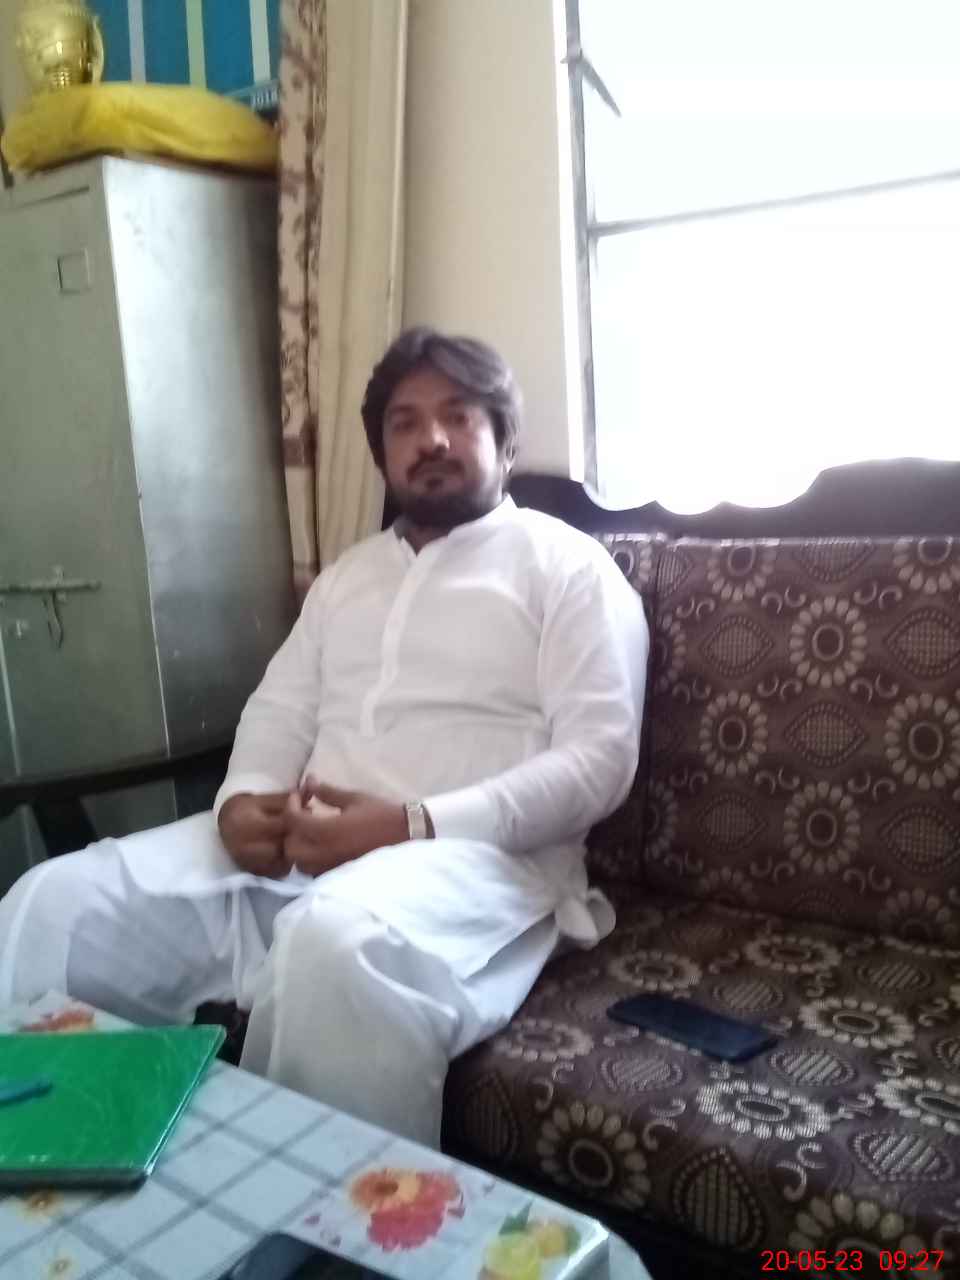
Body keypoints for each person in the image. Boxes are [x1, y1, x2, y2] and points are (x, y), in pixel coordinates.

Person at [0, 329, 648, 1146]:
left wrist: (406, 824)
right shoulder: (347, 578)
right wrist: (242, 802)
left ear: (506, 441)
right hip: (299, 855)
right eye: (405, 423)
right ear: (383, 454)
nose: (432, 438)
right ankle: (56, 1168)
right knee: (56, 902)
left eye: (458, 415)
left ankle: (324, 1219)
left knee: (336, 944)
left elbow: (599, 762)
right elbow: (279, 712)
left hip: (476, 865)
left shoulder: (571, 570)